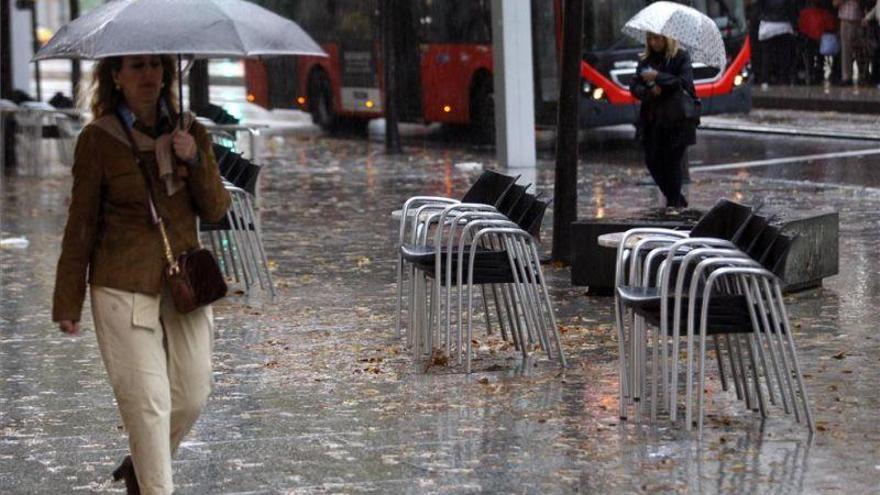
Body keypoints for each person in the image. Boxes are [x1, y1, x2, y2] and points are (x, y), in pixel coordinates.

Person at [52, 54, 230, 494]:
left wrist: (197, 162)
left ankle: (141, 467)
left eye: (155, 65)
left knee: (190, 395)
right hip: (121, 284)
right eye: (136, 66)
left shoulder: (191, 132)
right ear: (116, 76)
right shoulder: (99, 139)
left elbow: (217, 209)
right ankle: (154, 486)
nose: (148, 74)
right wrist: (67, 300)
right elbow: (81, 226)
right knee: (149, 405)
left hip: (185, 281)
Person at [630, 33, 696, 208]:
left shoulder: (680, 57)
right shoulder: (646, 60)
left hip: (676, 121)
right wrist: (649, 92)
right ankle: (676, 200)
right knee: (652, 161)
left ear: (667, 39)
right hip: (652, 121)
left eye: (658, 38)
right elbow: (634, 85)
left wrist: (658, 77)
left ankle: (673, 203)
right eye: (651, 39)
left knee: (672, 162)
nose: (654, 42)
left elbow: (684, 83)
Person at [758, 0, 799, 86]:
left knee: (766, 55)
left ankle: (765, 79)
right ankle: (783, 79)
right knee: (784, 56)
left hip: (767, 25)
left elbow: (760, 6)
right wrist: (795, 25)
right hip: (784, 25)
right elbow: (792, 7)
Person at [798, 0, 838, 83]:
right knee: (811, 47)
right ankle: (815, 71)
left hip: (814, 19)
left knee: (809, 48)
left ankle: (811, 72)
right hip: (817, 19)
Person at [834, 0, 864, 84]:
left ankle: (863, 74)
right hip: (845, 18)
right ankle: (846, 77)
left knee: (860, 49)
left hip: (860, 19)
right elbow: (835, 3)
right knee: (846, 50)